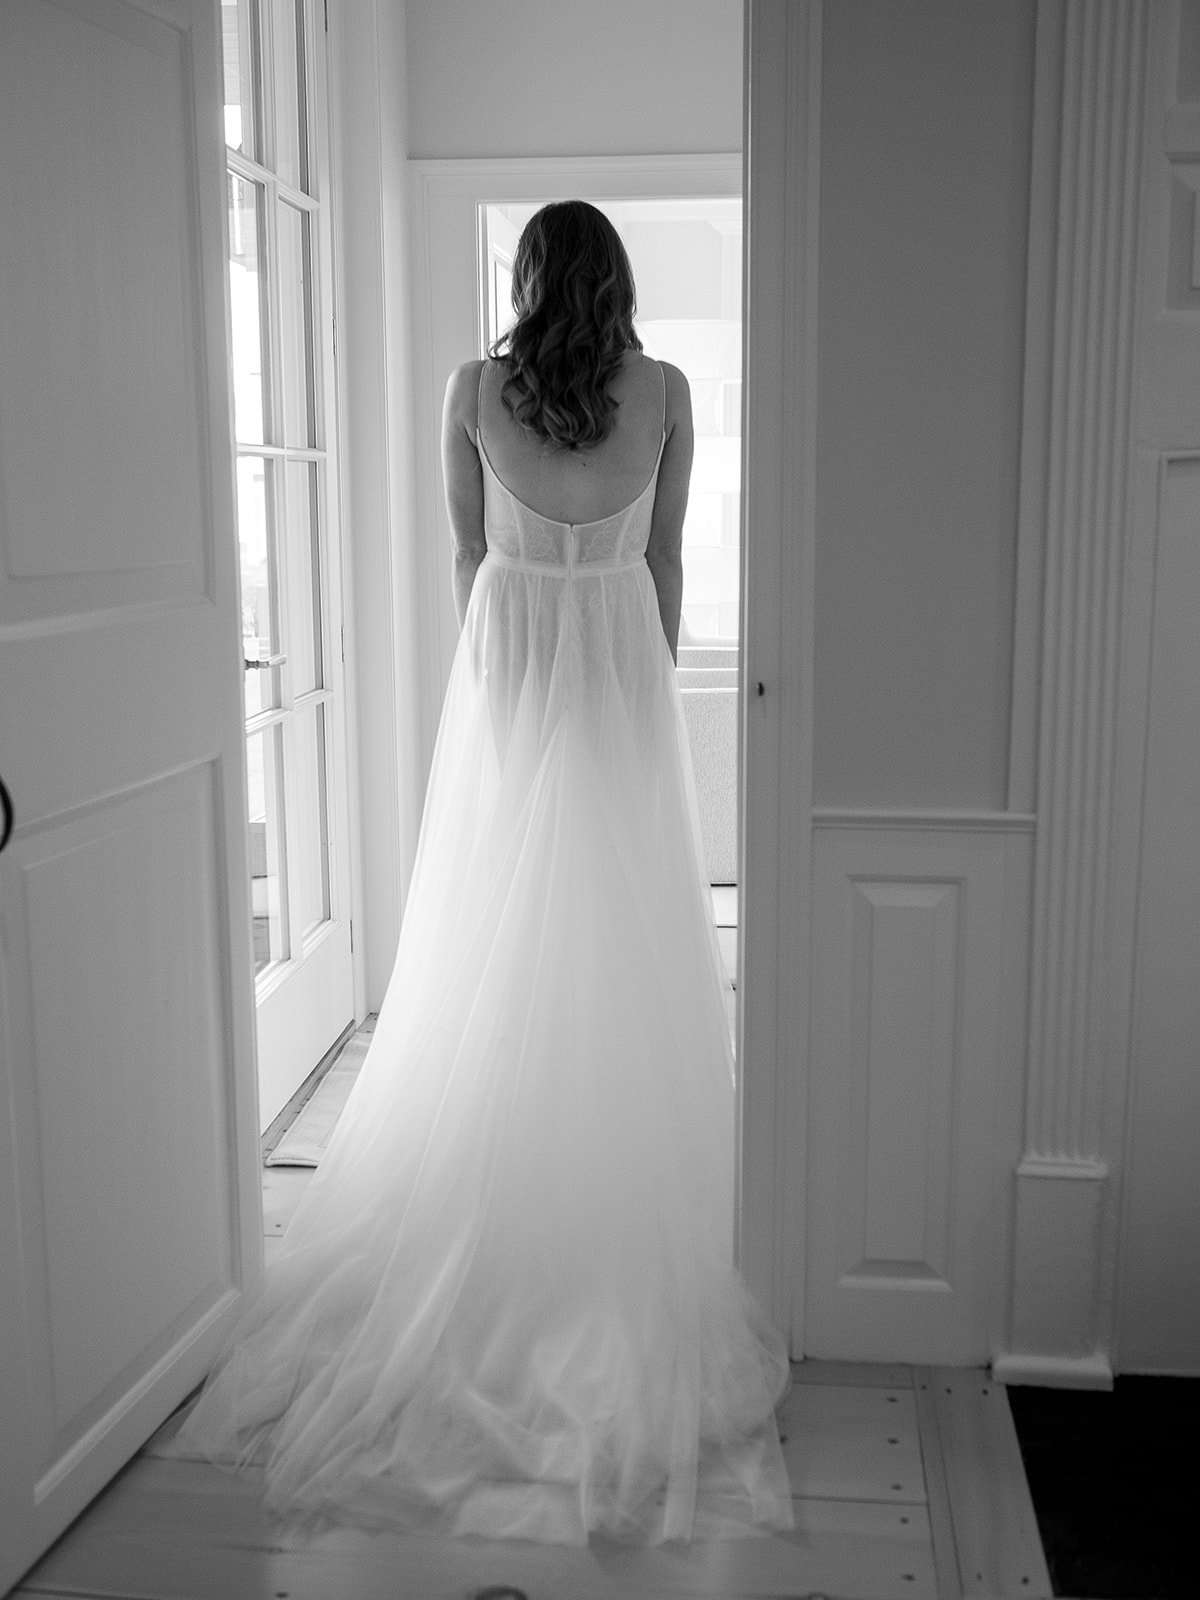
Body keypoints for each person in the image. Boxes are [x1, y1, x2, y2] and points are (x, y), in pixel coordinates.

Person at [174, 200, 794, 1545]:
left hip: (509, 672)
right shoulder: (670, 390)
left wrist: (511, 683)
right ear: (616, 282)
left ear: (526, 279)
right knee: (618, 930)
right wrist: (625, 680)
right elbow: (669, 557)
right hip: (623, 669)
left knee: (497, 930)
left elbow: (469, 557)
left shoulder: (471, 390)